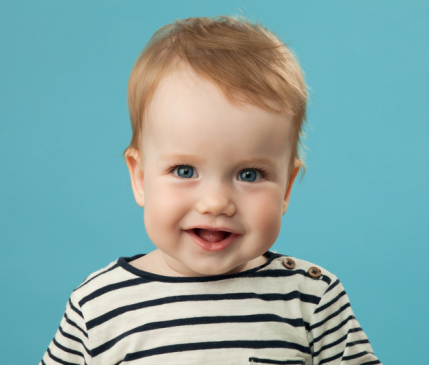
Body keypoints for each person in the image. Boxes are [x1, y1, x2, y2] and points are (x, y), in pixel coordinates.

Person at [40, 16, 381, 365]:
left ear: (286, 188)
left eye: (249, 174)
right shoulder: (99, 305)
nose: (216, 202)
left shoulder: (310, 299)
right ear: (140, 177)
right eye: (184, 171)